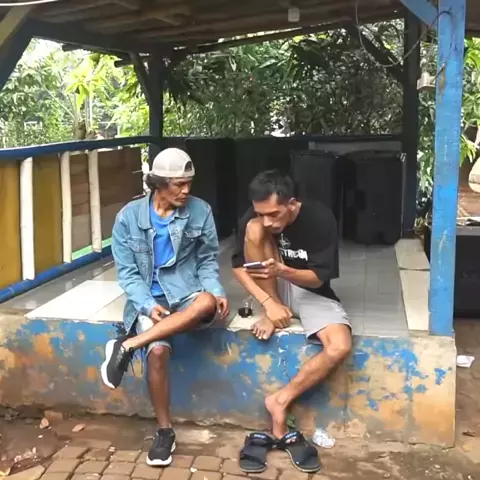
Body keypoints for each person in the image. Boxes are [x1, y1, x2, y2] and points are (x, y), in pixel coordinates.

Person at [100, 148, 229, 467]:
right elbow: (127, 273)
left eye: (189, 184)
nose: (186, 191)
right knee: (157, 352)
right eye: (179, 185)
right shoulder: (128, 217)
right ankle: (164, 431)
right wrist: (146, 305)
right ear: (158, 183)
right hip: (149, 298)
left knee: (206, 302)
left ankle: (128, 345)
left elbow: (207, 259)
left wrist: (215, 289)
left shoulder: (200, 211)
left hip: (186, 293)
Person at [231, 170, 352, 444]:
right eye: (261, 213)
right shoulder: (256, 218)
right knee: (253, 229)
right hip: (271, 288)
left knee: (339, 346)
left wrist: (283, 270)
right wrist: (268, 304)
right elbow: (239, 267)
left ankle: (280, 400)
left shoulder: (320, 219)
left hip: (309, 288)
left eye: (274, 214)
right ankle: (275, 311)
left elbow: (318, 278)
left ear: (292, 204)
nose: (268, 221)